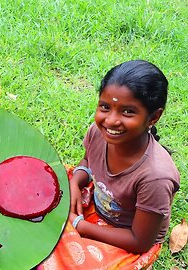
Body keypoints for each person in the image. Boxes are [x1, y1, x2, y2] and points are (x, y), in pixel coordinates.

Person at [39, 60, 180, 269]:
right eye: (105, 107)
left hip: (125, 238)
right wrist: (76, 182)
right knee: (37, 198)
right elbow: (88, 160)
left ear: (154, 117)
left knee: (54, 259)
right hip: (95, 203)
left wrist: (79, 226)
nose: (111, 120)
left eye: (128, 112)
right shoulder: (99, 132)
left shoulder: (155, 178)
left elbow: (139, 241)